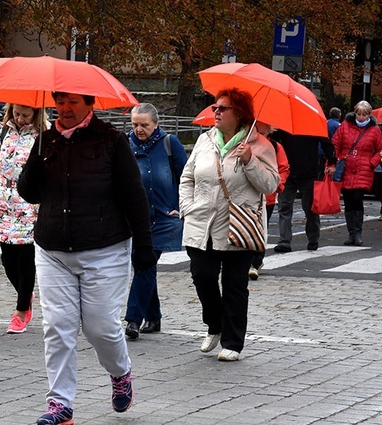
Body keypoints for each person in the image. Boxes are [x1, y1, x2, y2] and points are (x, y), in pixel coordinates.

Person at [17, 92, 156, 424]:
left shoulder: (111, 140)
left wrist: (144, 248)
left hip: (105, 249)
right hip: (53, 250)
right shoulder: (45, 140)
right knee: (58, 327)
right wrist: (35, 161)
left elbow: (134, 195)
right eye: (59, 101)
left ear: (89, 104)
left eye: (72, 102)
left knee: (100, 328)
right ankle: (60, 404)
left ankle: (120, 374)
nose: (64, 108)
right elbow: (29, 192)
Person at [179, 89, 279, 362]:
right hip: (202, 223)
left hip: (239, 226)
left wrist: (250, 161)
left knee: (235, 285)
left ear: (240, 114)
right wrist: (187, 206)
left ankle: (233, 342)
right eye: (215, 107)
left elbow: (271, 185)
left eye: (224, 108)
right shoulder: (204, 140)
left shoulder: (260, 146)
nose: (217, 112)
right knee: (203, 277)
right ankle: (215, 324)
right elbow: (187, 177)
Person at [123, 103, 187, 341]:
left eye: (144, 125)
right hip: (136, 220)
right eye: (135, 125)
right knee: (143, 266)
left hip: (164, 218)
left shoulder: (170, 144)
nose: (139, 129)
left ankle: (133, 320)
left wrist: (180, 208)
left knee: (145, 262)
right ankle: (154, 315)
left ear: (156, 124)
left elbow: (187, 178)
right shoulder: (126, 145)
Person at [0, 103, 47, 334]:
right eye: (17, 114)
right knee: (7, 260)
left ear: (36, 113)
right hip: (3, 201)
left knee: (24, 259)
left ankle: (22, 311)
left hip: (28, 203)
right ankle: (25, 292)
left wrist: (41, 199)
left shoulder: (42, 136)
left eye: (25, 115)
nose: (20, 119)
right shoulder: (3, 131)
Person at [272, 129, 336, 253]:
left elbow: (326, 142)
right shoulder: (306, 124)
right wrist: (332, 161)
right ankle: (287, 241)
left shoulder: (288, 125)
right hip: (297, 171)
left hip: (303, 172)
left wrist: (332, 161)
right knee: (289, 207)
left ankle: (307, 239)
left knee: (307, 208)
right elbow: (326, 143)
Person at [331, 100, 382, 246]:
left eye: (364, 115)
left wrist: (372, 163)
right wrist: (336, 160)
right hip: (347, 168)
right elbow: (335, 144)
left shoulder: (375, 130)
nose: (361, 117)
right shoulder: (345, 126)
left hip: (364, 169)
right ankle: (351, 233)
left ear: (368, 115)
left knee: (357, 199)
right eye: (359, 114)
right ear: (355, 113)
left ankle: (357, 232)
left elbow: (380, 150)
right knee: (348, 201)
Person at [250, 122, 290, 280]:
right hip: (247, 195)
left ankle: (255, 262)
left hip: (267, 197)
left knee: (260, 230)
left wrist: (277, 186)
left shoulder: (274, 146)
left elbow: (283, 167)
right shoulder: (244, 142)